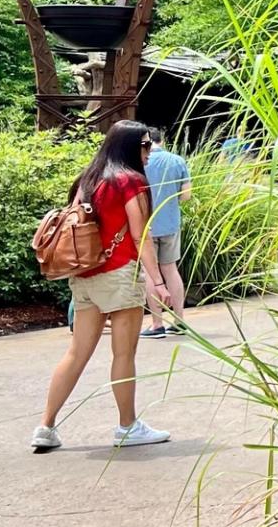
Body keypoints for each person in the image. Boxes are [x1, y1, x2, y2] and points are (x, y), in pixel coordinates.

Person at [31, 120, 174, 453]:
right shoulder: (130, 181)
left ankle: (45, 425)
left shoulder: (88, 179)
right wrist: (158, 281)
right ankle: (127, 426)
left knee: (76, 353)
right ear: (131, 146)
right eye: (145, 146)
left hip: (85, 273)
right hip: (119, 273)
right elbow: (141, 236)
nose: (150, 152)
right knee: (124, 353)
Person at [141, 130, 192, 338]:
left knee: (150, 272)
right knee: (170, 270)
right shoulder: (177, 160)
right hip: (171, 224)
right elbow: (186, 196)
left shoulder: (140, 161)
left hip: (146, 226)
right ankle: (179, 321)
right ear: (162, 140)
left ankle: (156, 324)